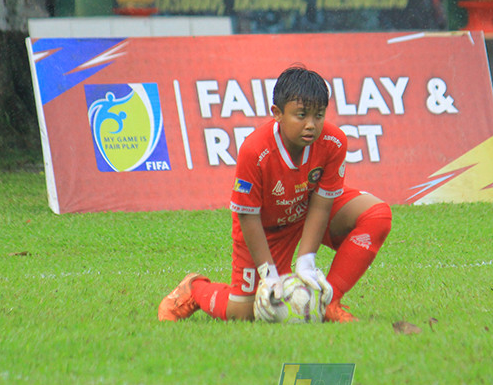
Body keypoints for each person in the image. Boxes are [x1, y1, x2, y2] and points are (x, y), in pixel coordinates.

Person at [158, 65, 391, 323]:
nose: (311, 125)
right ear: (277, 114)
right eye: (301, 115)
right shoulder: (254, 150)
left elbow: (323, 205)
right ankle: (194, 289)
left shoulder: (334, 142)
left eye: (318, 115)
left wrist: (306, 260)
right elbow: (247, 216)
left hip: (306, 211)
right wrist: (268, 273)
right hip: (266, 229)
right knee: (246, 313)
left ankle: (328, 303)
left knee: (377, 215)